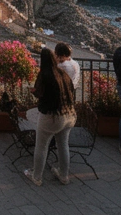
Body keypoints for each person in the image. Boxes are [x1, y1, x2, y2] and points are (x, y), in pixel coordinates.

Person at [24, 48, 77, 186]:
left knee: (41, 146)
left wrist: (33, 92)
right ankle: (64, 176)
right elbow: (71, 91)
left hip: (52, 116)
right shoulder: (63, 74)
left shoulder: (45, 74)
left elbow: (40, 92)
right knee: (63, 144)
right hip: (69, 114)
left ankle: (36, 177)